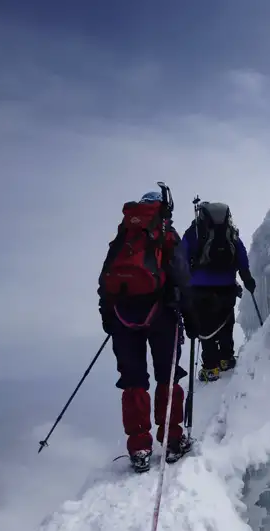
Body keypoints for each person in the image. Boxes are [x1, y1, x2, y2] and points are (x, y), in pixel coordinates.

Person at [97, 190, 199, 473]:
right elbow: (181, 276)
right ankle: (172, 439)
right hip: (161, 314)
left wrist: (108, 316)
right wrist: (190, 317)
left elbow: (105, 280)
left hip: (123, 316)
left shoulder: (123, 236)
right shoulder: (166, 234)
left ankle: (140, 448)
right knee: (167, 375)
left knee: (133, 381)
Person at [181, 200, 255, 382]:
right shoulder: (231, 233)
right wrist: (247, 279)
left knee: (206, 326)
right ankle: (226, 359)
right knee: (225, 322)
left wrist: (182, 284)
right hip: (227, 287)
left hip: (199, 289)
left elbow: (181, 257)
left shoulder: (194, 233)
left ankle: (210, 367)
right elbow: (241, 256)